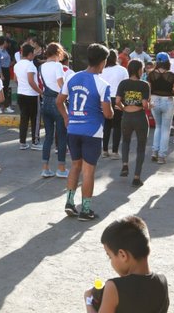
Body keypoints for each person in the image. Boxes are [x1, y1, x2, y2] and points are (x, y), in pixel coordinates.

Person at [57, 44, 113, 221]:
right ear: (103, 62)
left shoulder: (72, 78)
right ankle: (86, 210)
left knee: (75, 166)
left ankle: (70, 202)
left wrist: (67, 117)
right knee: (88, 171)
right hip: (92, 131)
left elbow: (59, 101)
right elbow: (107, 113)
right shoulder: (103, 84)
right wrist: (113, 110)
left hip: (73, 129)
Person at [84, 216, 169, 313]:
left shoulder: (113, 287)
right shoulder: (162, 281)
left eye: (110, 257)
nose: (111, 261)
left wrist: (88, 300)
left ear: (123, 255)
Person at [117, 60, 151, 187]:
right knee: (141, 147)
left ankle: (125, 164)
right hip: (139, 117)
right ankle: (137, 177)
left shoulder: (123, 83)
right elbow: (144, 105)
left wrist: (123, 108)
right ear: (139, 70)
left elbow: (118, 101)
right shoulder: (144, 85)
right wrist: (149, 105)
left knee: (125, 141)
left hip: (126, 116)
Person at [38, 43, 69, 178]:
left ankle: (45, 168)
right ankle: (61, 168)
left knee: (48, 137)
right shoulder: (57, 66)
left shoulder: (41, 66)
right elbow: (61, 84)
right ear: (58, 52)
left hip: (46, 102)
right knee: (62, 136)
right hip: (58, 102)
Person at [147, 52, 174, 164]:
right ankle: (162, 156)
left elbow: (149, 90)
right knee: (166, 129)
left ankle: (154, 152)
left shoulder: (150, 75)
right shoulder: (172, 76)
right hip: (168, 101)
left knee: (158, 127)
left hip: (154, 100)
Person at [101, 49, 129, 160]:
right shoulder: (122, 70)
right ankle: (115, 151)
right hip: (118, 99)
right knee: (117, 125)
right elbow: (126, 85)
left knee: (106, 125)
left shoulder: (102, 70)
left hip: (105, 100)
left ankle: (104, 150)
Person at [14, 44, 43, 150]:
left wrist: (22, 87)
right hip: (32, 95)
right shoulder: (30, 65)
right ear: (30, 54)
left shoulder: (17, 65)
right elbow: (31, 81)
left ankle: (22, 142)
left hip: (21, 94)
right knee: (35, 119)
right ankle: (35, 142)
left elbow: (16, 80)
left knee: (24, 118)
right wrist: (40, 92)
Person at [0, 36, 14, 113]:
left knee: (6, 88)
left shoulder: (5, 51)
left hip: (6, 69)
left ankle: (6, 105)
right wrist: (1, 74)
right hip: (1, 71)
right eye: (5, 42)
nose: (7, 44)